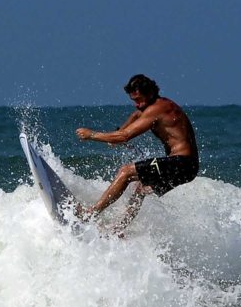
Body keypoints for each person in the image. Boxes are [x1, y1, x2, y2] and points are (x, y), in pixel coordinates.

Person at [74, 74, 199, 232]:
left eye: (139, 99)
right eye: (134, 100)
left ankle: (90, 214)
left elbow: (125, 136)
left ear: (151, 93)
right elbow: (135, 117)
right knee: (140, 188)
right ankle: (119, 230)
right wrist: (118, 133)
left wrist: (92, 135)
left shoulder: (158, 108)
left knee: (126, 172)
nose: (137, 104)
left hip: (182, 163)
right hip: (188, 167)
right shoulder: (156, 106)